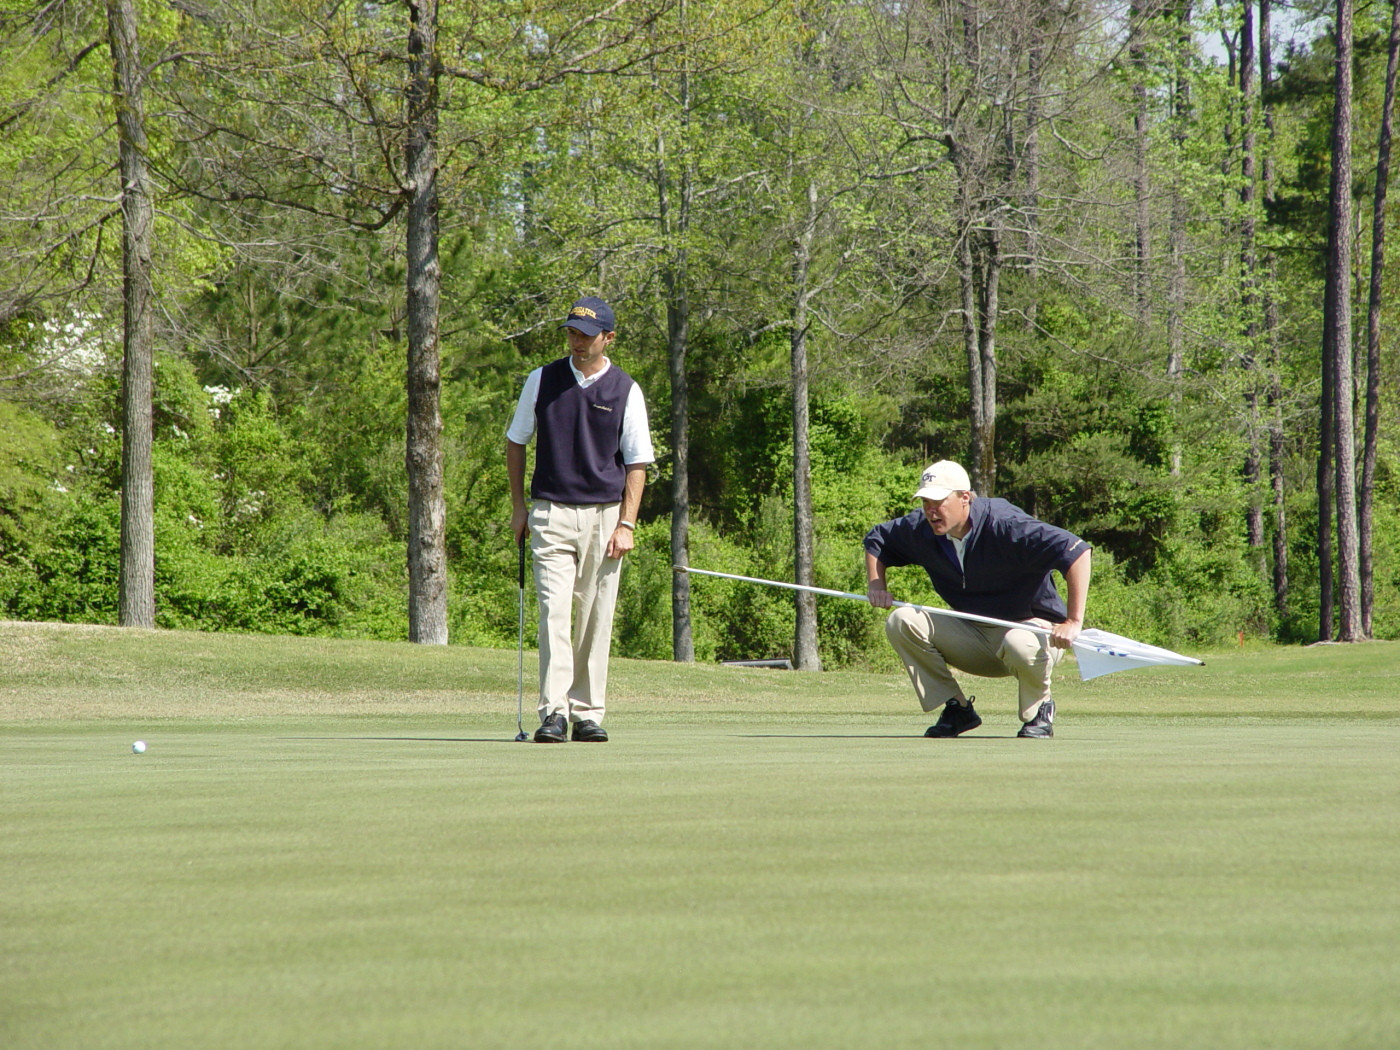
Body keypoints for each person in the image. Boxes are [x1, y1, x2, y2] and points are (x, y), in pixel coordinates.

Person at [506, 296, 654, 743]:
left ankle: (586, 713)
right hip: (550, 511)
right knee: (554, 612)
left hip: (605, 519)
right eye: (572, 333)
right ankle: (553, 711)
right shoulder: (542, 379)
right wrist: (519, 507)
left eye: (586, 336)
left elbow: (637, 464)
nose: (577, 342)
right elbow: (517, 443)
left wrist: (626, 524)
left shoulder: (625, 389)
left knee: (595, 616)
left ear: (608, 338)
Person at [863, 459, 1091, 739]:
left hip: (1034, 633)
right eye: (925, 502)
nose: (931, 511)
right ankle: (958, 709)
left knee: (1018, 641)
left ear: (965, 498)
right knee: (901, 620)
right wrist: (877, 585)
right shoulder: (922, 528)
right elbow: (878, 539)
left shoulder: (1005, 523)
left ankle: (1039, 710)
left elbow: (1077, 550)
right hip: (973, 633)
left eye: (938, 501)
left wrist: (1073, 620)